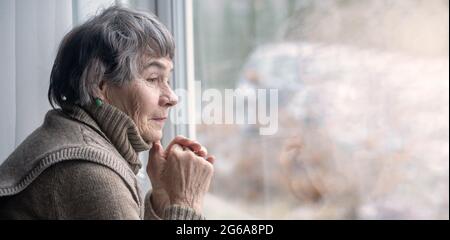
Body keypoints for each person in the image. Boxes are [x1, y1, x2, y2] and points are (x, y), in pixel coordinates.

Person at [0, 6, 214, 220]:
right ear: (100, 84)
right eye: (152, 78)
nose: (173, 97)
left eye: (167, 79)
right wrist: (186, 203)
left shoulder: (72, 137)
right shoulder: (90, 172)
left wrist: (162, 201)